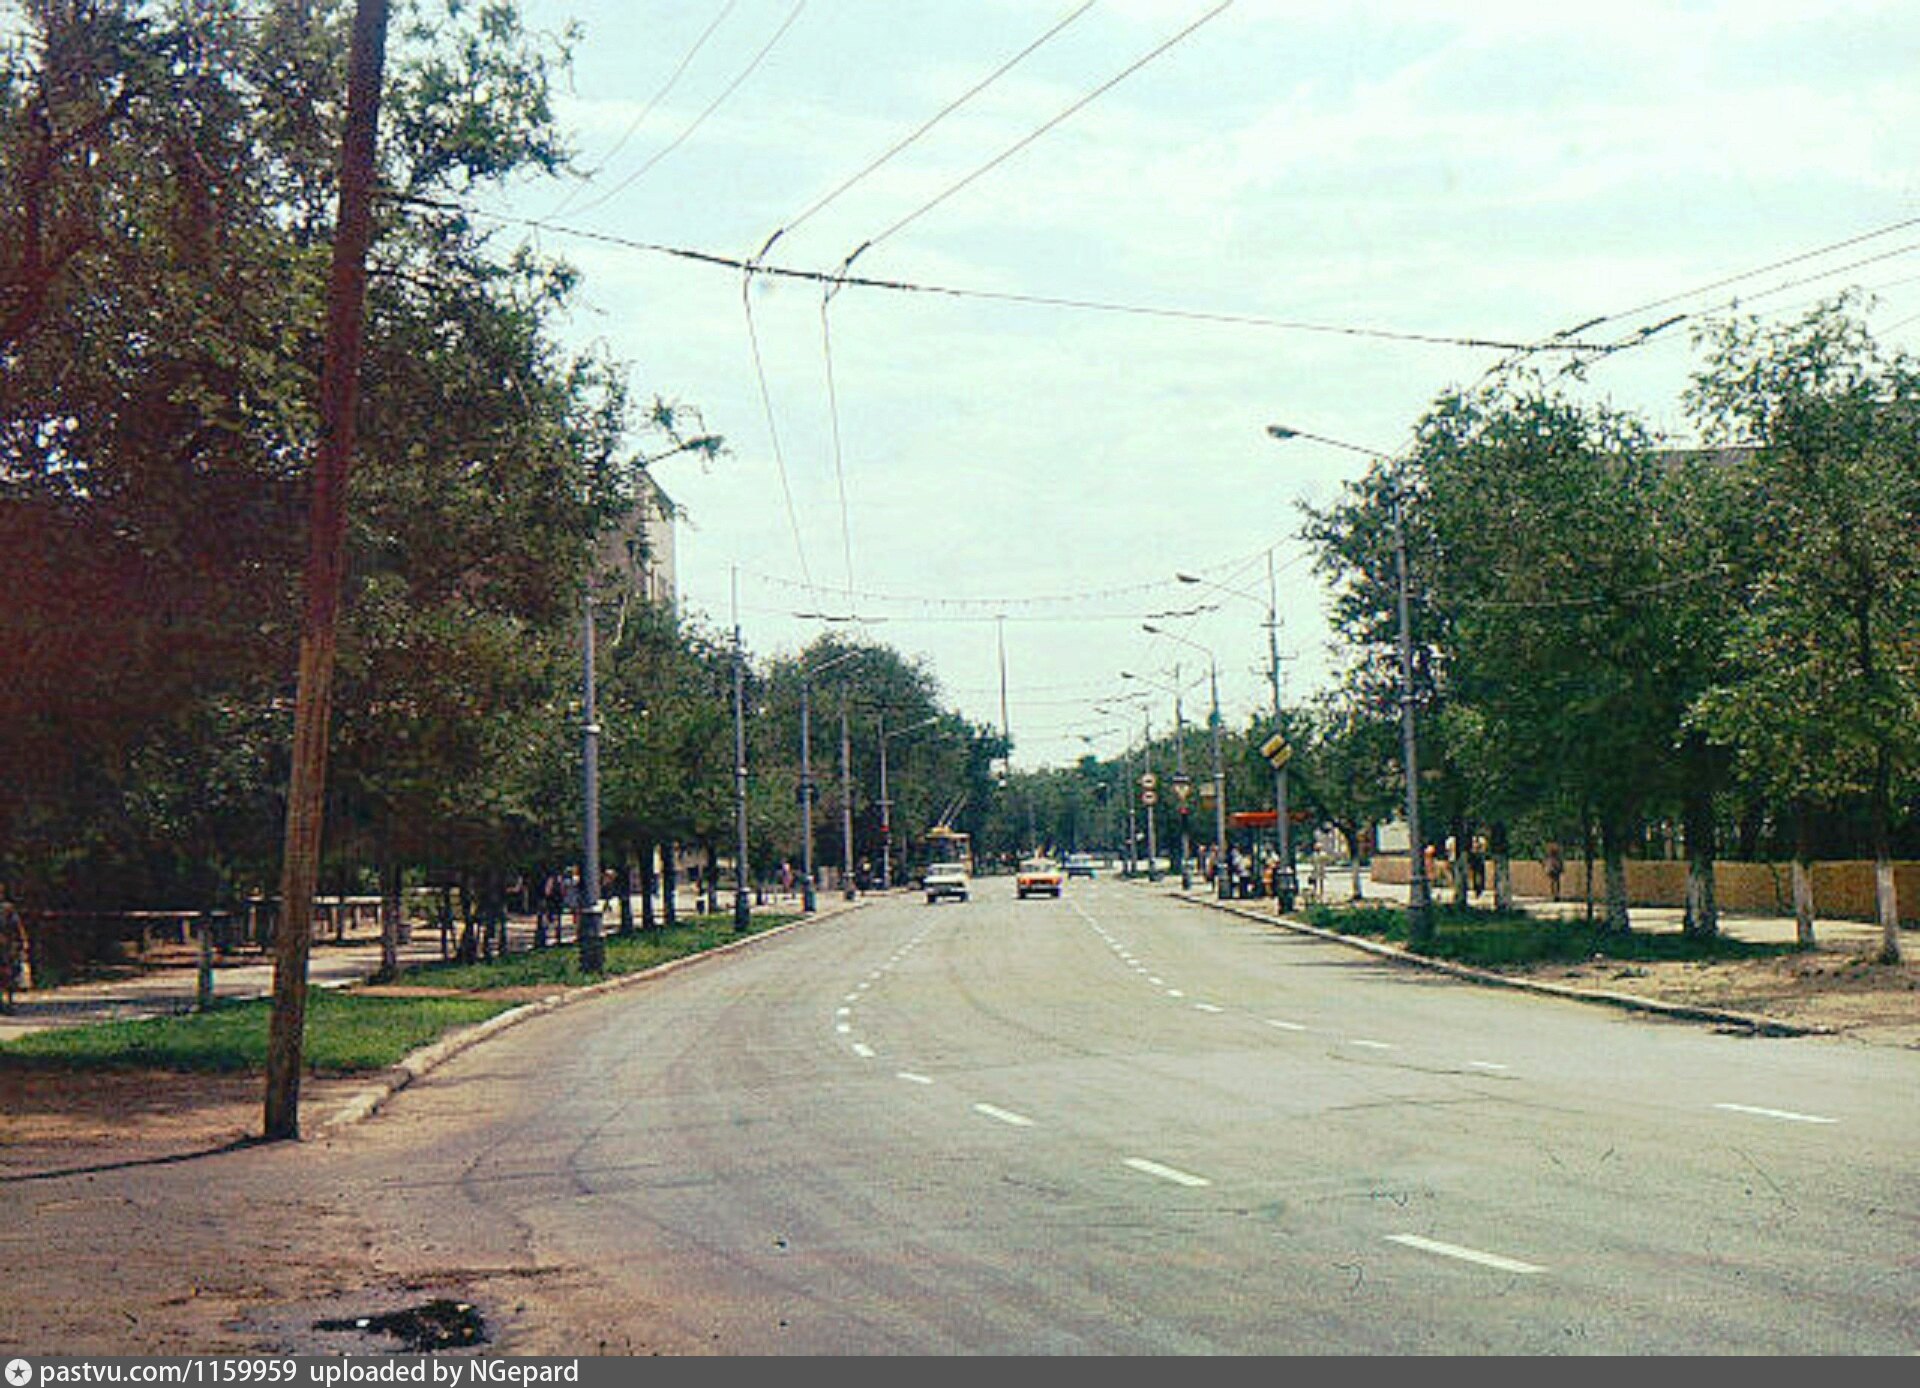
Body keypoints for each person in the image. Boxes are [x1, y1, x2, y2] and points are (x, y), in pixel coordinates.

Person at [1, 882, 26, 1012]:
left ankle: (9, 1001)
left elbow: (17, 926)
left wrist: (22, 941)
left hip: (6, 946)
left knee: (8, 974)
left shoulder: (8, 909)